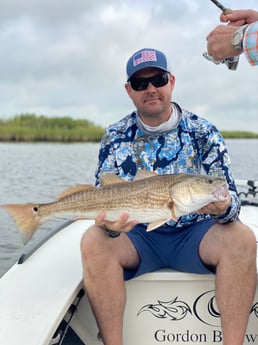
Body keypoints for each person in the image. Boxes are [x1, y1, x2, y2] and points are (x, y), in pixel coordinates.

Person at [80, 48, 257, 345]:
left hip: (196, 235)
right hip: (137, 235)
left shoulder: (203, 132)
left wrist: (223, 207)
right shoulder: (115, 135)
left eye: (158, 79)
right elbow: (104, 196)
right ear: (129, 90)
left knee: (242, 237)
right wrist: (109, 227)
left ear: (171, 81)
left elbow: (232, 201)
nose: (150, 89)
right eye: (140, 83)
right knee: (93, 240)